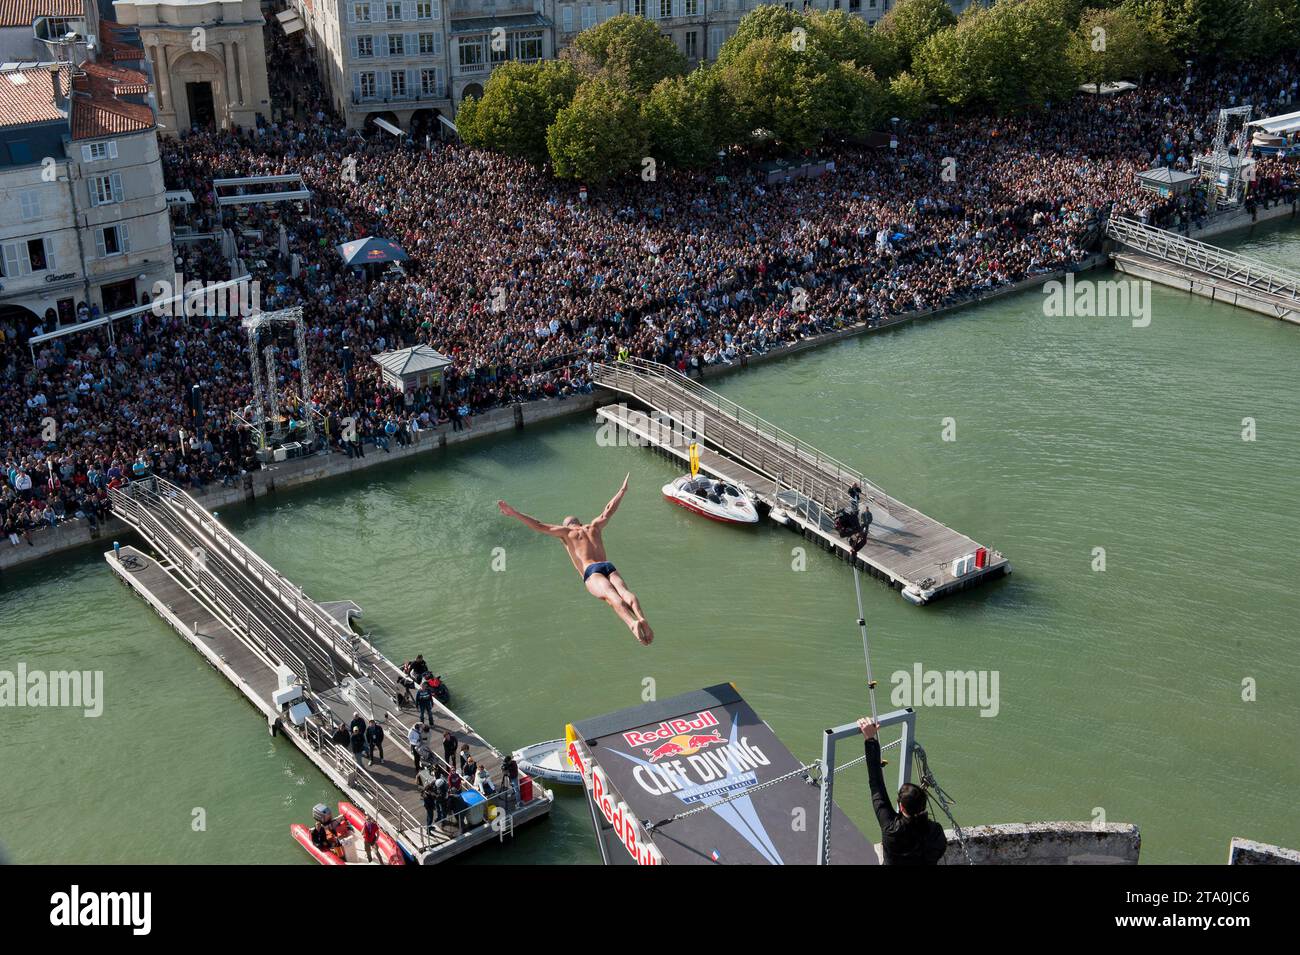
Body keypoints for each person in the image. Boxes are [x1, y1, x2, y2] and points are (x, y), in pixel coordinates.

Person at [498, 473, 653, 645]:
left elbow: (539, 525)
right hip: (608, 565)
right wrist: (622, 491)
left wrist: (514, 512)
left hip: (592, 571)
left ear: (566, 525)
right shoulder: (593, 526)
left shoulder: (566, 533)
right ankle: (640, 617)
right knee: (624, 592)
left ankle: (632, 624)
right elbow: (608, 510)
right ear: (579, 522)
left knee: (611, 596)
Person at [857, 718, 947, 865]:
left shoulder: (892, 830)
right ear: (923, 805)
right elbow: (939, 849)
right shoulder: (935, 831)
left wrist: (870, 739)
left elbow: (876, 785)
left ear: (902, 806)